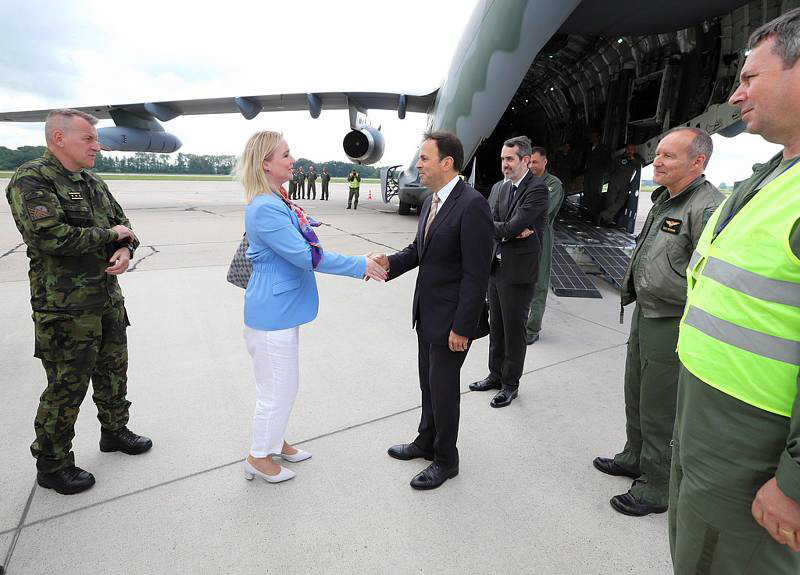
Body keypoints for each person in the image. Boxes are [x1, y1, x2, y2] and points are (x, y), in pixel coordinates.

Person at [670, 10, 800, 571]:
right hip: (708, 415)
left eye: (750, 78)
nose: (736, 93)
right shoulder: (772, 174)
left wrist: (795, 481)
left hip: (758, 438)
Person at [5, 109, 152, 495]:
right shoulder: (31, 179)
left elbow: (124, 225)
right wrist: (111, 234)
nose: (97, 146)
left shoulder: (92, 181)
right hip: (65, 308)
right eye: (88, 138)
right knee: (66, 387)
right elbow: (49, 236)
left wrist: (124, 248)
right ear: (59, 139)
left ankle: (115, 431)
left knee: (112, 371)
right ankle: (53, 464)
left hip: (105, 298)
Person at [236, 131, 387, 484]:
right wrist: (360, 265)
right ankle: (259, 457)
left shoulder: (276, 199)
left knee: (280, 385)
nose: (292, 160)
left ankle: (273, 441)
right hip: (272, 315)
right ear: (266, 165)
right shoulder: (265, 207)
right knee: (278, 388)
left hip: (280, 311)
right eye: (286, 155)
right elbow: (306, 257)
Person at [592, 127, 724, 518]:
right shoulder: (666, 200)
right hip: (647, 311)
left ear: (697, 162)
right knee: (636, 391)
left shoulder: (706, 207)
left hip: (673, 319)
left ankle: (656, 487)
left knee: (660, 407)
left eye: (668, 156)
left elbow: (711, 276)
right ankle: (634, 456)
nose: (658, 161)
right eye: (659, 154)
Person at [371, 131, 493, 489]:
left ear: (447, 163)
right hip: (426, 315)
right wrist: (387, 264)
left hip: (452, 321)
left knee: (443, 390)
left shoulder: (472, 205)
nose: (418, 164)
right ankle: (426, 440)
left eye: (424, 158)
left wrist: (463, 327)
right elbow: (418, 250)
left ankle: (445, 459)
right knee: (428, 385)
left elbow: (476, 274)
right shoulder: (430, 202)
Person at [469, 137, 548, 408]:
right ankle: (495, 374)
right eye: (503, 159)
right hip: (496, 267)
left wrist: (508, 229)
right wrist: (509, 230)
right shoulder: (498, 188)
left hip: (518, 272)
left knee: (514, 331)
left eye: (510, 159)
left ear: (525, 160)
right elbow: (498, 224)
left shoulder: (538, 189)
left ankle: (510, 385)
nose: (504, 164)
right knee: (497, 328)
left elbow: (515, 225)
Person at [525, 146, 565, 345]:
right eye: (529, 162)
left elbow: (544, 212)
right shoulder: (526, 181)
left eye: (535, 162)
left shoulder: (553, 184)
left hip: (542, 234)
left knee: (540, 282)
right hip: (522, 233)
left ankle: (532, 327)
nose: (531, 166)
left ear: (545, 162)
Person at [596, 143, 644, 226]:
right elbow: (610, 169)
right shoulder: (619, 158)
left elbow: (642, 163)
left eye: (632, 149)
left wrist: (633, 159)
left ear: (634, 150)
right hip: (614, 182)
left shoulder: (636, 158)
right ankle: (607, 221)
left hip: (625, 184)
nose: (630, 151)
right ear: (626, 149)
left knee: (621, 202)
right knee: (610, 201)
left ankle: (603, 215)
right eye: (628, 149)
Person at [582, 131, 612, 219]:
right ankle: (587, 211)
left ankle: (593, 213)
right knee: (587, 191)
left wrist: (603, 171)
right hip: (588, 173)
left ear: (598, 137)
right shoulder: (589, 148)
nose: (593, 138)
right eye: (592, 136)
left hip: (598, 174)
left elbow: (608, 162)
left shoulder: (603, 148)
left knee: (596, 193)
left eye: (594, 136)